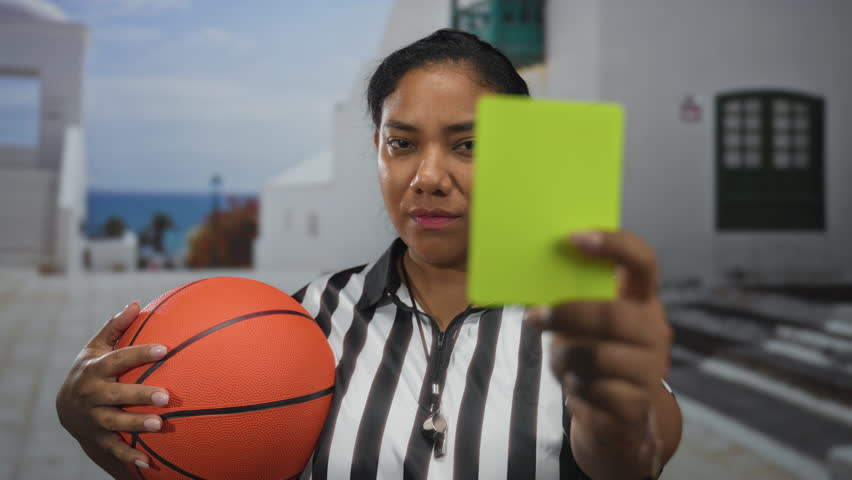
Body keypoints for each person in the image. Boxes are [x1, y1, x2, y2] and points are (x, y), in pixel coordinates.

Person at [56, 29, 682, 479]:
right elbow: (203, 461)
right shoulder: (302, 318)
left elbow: (639, 460)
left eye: (468, 146)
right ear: (378, 151)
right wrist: (93, 426)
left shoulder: (579, 319)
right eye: (401, 143)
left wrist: (614, 417)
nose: (429, 176)